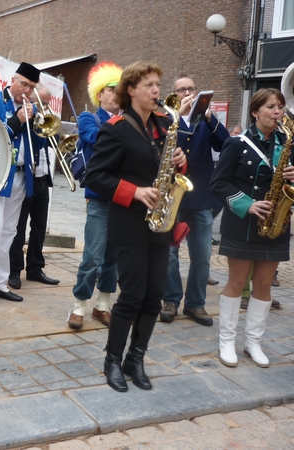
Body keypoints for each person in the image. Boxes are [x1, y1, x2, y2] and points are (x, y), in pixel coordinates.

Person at [84, 61, 187, 392]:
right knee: (131, 295)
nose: (157, 90)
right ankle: (112, 360)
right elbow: (94, 176)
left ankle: (136, 359)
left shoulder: (163, 124)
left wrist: (180, 161)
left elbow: (167, 167)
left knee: (154, 296)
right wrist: (135, 191)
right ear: (130, 90)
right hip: (129, 223)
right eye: (149, 85)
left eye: (158, 84)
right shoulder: (115, 128)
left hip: (160, 222)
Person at [210, 88, 293, 368]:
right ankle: (227, 341)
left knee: (264, 285)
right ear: (255, 112)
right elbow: (218, 183)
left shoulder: (287, 143)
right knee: (236, 282)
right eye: (270, 106)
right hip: (242, 223)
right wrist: (248, 204)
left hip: (276, 222)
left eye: (280, 106)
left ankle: (253, 342)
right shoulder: (236, 143)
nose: (277, 112)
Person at [159, 75, 230, 326]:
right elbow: (160, 145)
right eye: (181, 89)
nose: (187, 93)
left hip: (200, 195)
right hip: (173, 195)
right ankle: (170, 300)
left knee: (202, 255)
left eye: (191, 88)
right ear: (174, 94)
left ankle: (195, 304)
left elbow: (225, 144)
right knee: (170, 253)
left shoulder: (206, 121)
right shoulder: (167, 118)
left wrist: (210, 118)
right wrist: (177, 116)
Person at [0, 62, 41, 307]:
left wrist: (35, 123)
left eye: (32, 87)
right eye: (24, 84)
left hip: (20, 177)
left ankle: (0, 283)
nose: (27, 91)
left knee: (9, 232)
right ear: (13, 79)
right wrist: (17, 120)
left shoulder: (32, 108)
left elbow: (39, 143)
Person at [67, 62, 122, 330]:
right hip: (99, 197)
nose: (116, 93)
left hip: (122, 198)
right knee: (92, 256)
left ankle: (103, 305)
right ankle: (78, 305)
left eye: (120, 89)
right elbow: (94, 137)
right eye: (112, 89)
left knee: (112, 258)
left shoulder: (128, 120)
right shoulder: (89, 118)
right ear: (100, 94)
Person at [8, 84, 59, 290]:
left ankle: (35, 268)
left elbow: (53, 142)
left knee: (39, 228)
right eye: (41, 103)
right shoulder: (24, 117)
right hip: (27, 177)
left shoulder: (43, 117)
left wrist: (48, 122)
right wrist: (32, 118)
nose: (44, 107)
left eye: (47, 103)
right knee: (18, 229)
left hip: (43, 178)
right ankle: (14, 270)